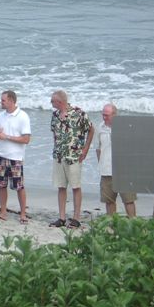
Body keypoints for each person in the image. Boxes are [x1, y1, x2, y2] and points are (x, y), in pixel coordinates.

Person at [49, 90, 94, 229]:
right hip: (59, 156)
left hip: (74, 156)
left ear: (60, 101)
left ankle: (76, 218)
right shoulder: (55, 115)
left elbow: (91, 129)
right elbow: (54, 133)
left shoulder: (79, 113)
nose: (51, 103)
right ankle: (62, 218)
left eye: (52, 101)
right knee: (61, 186)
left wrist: (85, 149)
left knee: (75, 186)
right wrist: (56, 147)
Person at [0, 90, 31, 224]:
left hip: (15, 157)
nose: (1, 102)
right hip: (0, 155)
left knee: (19, 186)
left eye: (3, 100)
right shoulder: (1, 115)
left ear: (11, 101)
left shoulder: (23, 116)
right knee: (1, 185)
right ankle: (3, 212)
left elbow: (26, 139)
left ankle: (23, 214)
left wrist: (7, 136)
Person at [96, 103, 136, 217]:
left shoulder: (124, 127)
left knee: (129, 200)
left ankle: (133, 222)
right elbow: (98, 148)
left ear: (114, 115)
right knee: (109, 200)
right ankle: (112, 223)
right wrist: (101, 163)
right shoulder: (100, 127)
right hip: (106, 170)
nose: (104, 117)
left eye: (107, 115)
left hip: (124, 171)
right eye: (103, 115)